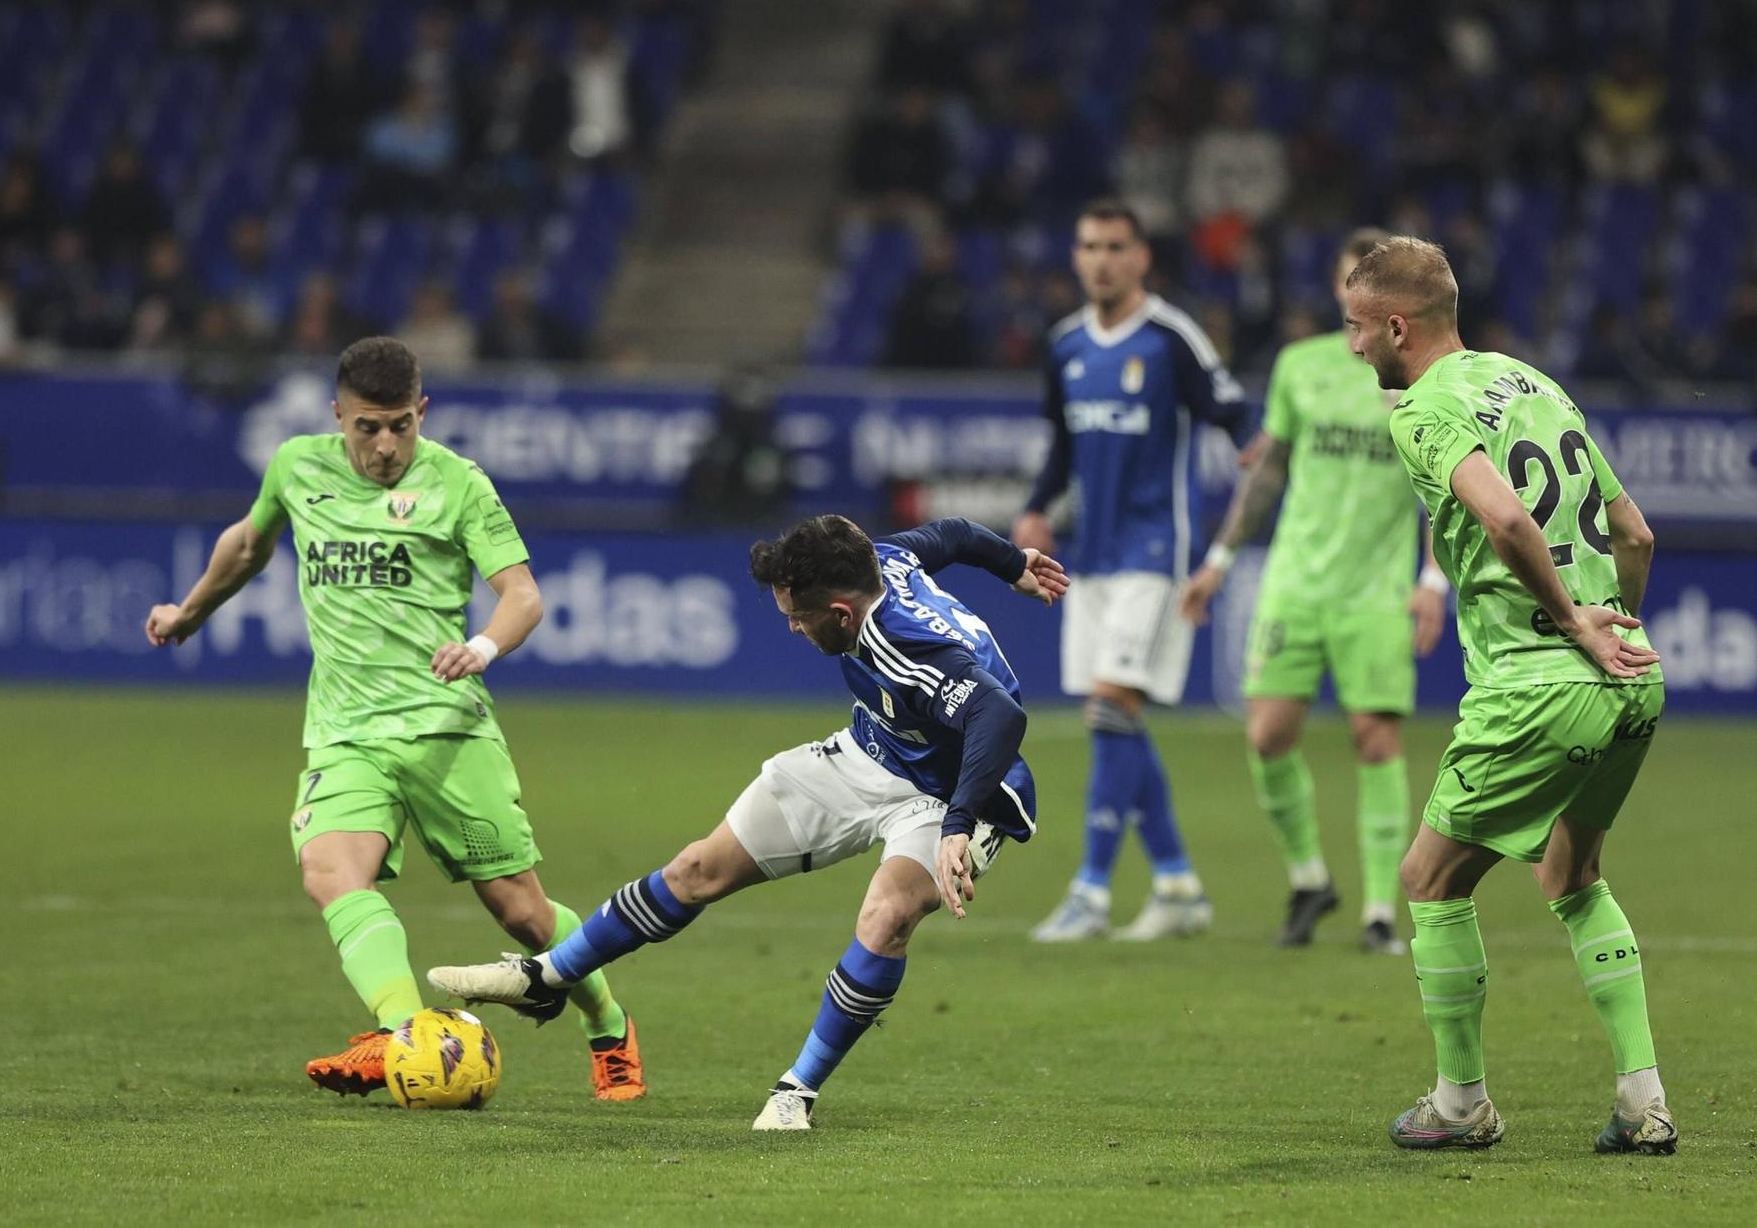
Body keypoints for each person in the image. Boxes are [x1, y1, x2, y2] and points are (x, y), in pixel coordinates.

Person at [429, 515, 1068, 1131]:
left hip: (963, 791)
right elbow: (952, 533)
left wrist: (957, 824)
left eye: (797, 617)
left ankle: (797, 1091)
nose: (791, 628)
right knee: (697, 868)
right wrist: (1014, 565)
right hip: (872, 753)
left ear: (840, 613)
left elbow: (1000, 716)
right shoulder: (883, 557)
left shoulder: (902, 641)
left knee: (887, 912)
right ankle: (546, 979)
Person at [142, 337, 644, 1102]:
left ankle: (607, 1025)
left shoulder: (459, 483)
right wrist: (188, 611)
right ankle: (404, 1035)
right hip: (346, 733)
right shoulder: (297, 466)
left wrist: (481, 646)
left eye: (402, 426)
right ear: (337, 414)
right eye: (368, 427)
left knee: (523, 911)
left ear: (423, 413)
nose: (385, 446)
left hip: (447, 731)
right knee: (329, 871)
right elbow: (248, 543)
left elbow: (523, 595)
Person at [1341, 237, 1672, 1155]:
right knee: (1573, 875)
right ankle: (1644, 1101)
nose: (1352, 346)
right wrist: (1615, 628)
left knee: (1427, 879)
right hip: (1633, 681)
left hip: (1537, 687)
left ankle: (1459, 1105)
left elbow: (1506, 516)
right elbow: (1634, 532)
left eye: (1357, 327)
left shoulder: (1423, 412)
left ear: (1397, 325)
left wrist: (1571, 626)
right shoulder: (1530, 384)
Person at [1179, 228, 1447, 954]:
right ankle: (1308, 879)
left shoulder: (1418, 375)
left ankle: (1381, 912)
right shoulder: (1299, 367)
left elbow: (1441, 487)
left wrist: (1432, 578)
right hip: (1295, 582)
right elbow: (1268, 471)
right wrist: (1220, 558)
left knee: (1375, 738)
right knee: (1266, 734)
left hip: (1376, 591)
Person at [1017, 198, 1250, 942]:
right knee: (1117, 719)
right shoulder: (1064, 346)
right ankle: (1177, 882)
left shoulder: (1171, 336)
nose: (1101, 259)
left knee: (1110, 709)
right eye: (1089, 246)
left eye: (1116, 246)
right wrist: (1037, 507)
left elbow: (1233, 412)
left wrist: (1259, 453)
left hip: (1156, 551)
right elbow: (1062, 444)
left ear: (1142, 256)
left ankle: (1090, 890)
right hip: (1090, 555)